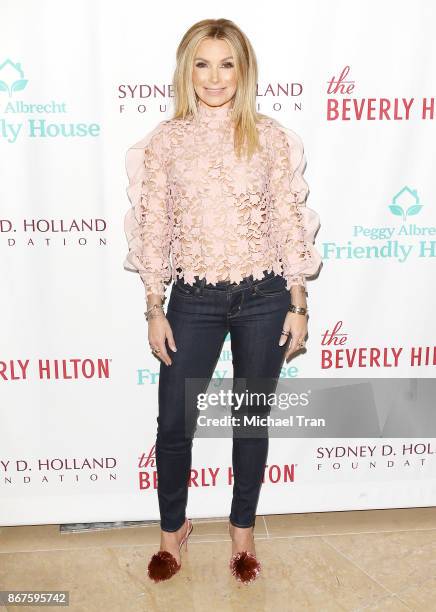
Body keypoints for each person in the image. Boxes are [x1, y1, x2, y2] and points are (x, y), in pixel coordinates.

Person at [123, 18, 322, 584]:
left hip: (264, 297)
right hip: (192, 299)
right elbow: (155, 225)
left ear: (244, 70)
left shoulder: (271, 136)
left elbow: (288, 221)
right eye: (203, 64)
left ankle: (242, 533)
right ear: (188, 71)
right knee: (174, 423)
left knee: (250, 420)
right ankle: (172, 532)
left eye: (227, 63)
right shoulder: (166, 141)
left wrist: (298, 301)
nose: (215, 77)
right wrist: (155, 305)